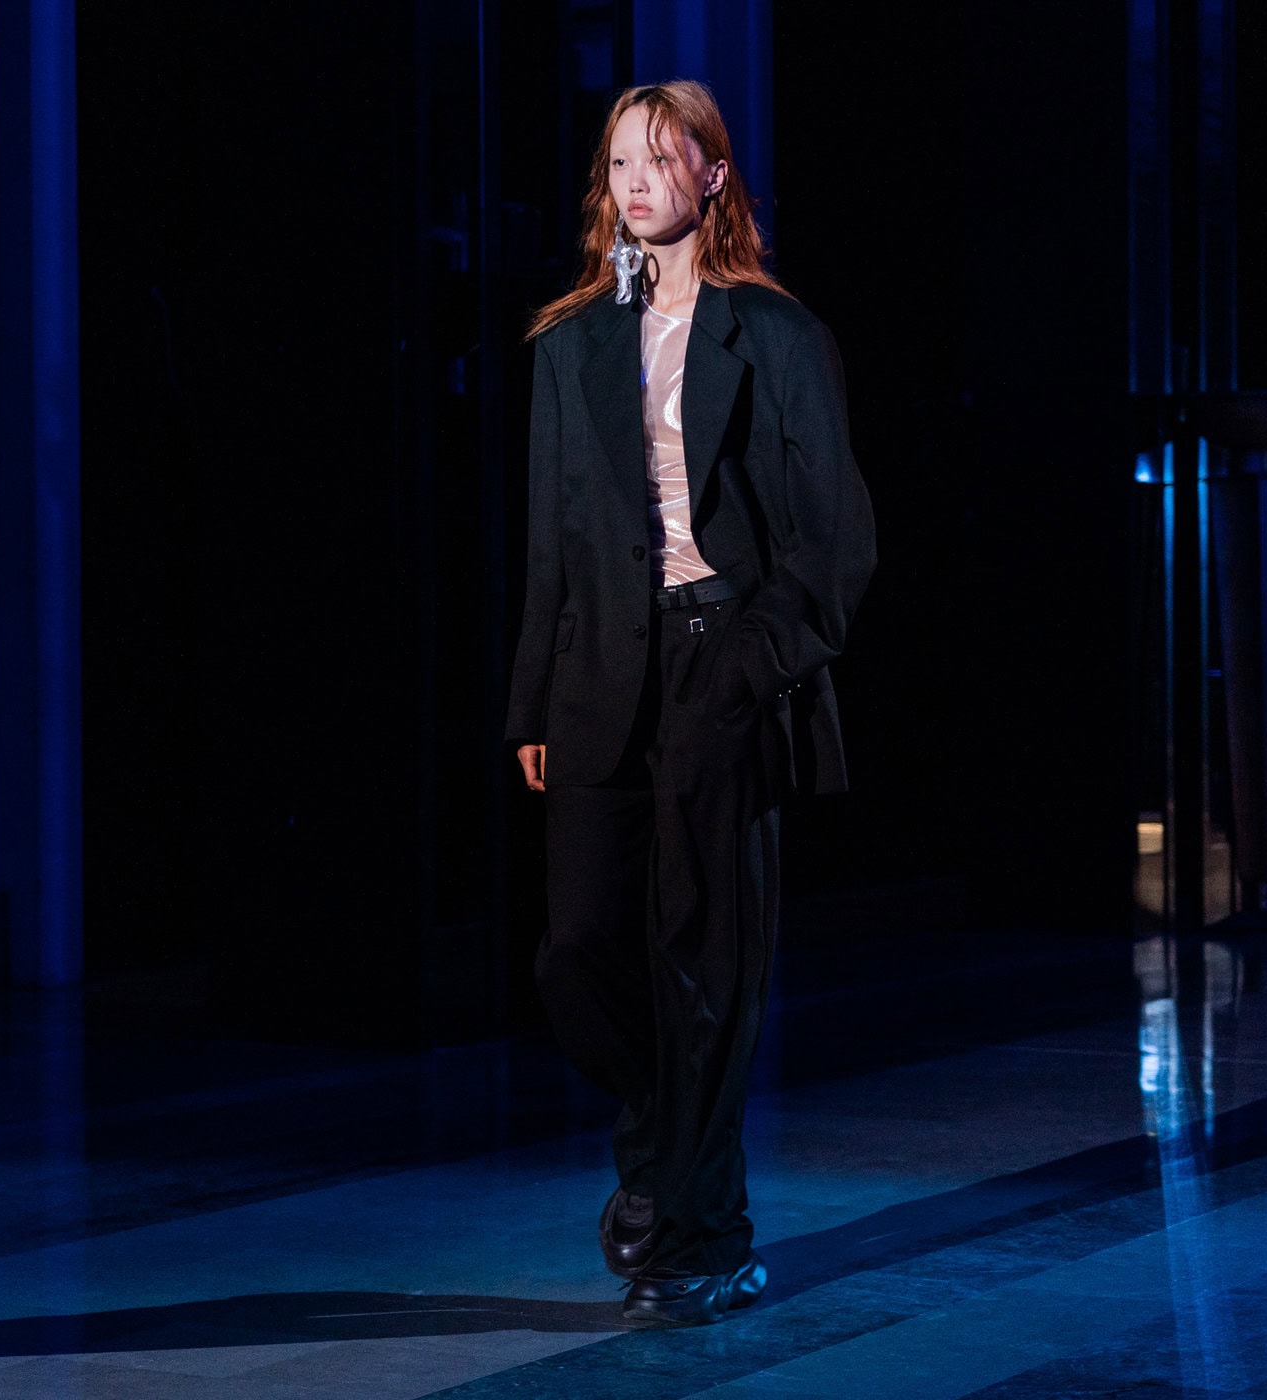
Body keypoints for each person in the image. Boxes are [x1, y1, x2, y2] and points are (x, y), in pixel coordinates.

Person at [506, 79, 877, 1327]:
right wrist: (531, 700)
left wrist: (754, 665)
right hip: (599, 675)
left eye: (661, 161)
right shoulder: (570, 342)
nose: (636, 183)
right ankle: (669, 1148)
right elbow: (552, 539)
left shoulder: (775, 332)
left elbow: (835, 540)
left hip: (725, 660)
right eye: (619, 163)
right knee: (576, 951)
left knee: (703, 960)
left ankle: (701, 1236)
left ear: (712, 176)